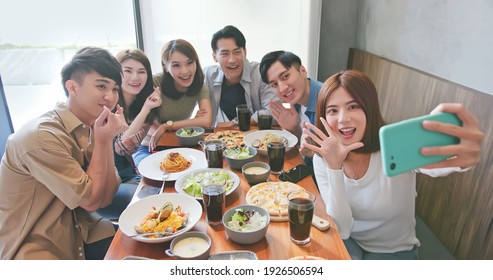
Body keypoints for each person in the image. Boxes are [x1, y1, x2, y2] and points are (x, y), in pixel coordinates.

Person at [301, 70, 484, 260]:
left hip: (393, 251)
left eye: (353, 106)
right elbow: (343, 229)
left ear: (370, 108)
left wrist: (461, 153)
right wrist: (335, 167)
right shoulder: (323, 158)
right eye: (332, 110)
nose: (343, 119)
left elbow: (442, 162)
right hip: (351, 242)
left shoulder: (395, 145)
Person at [0, 47, 128, 259]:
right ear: (72, 87)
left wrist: (104, 138)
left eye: (115, 89)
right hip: (36, 247)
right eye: (101, 86)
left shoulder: (90, 127)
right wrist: (105, 140)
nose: (110, 96)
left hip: (81, 230)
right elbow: (91, 201)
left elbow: (106, 196)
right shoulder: (42, 137)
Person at [133, 39, 213, 166]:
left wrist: (165, 126)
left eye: (190, 63)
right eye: (176, 65)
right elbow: (147, 123)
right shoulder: (154, 83)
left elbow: (206, 121)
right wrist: (190, 123)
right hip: (149, 147)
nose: (185, 71)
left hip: (180, 146)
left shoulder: (199, 86)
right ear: (165, 65)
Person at [259, 50, 323, 177]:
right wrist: (294, 129)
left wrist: (314, 154)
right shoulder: (295, 102)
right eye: (274, 84)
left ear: (303, 71)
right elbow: (307, 149)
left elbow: (341, 160)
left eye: (285, 76)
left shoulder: (328, 102)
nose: (282, 88)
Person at [204, 25, 279, 126]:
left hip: (257, 137)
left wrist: (235, 123)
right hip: (221, 138)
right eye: (225, 54)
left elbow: (274, 112)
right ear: (215, 57)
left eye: (237, 52)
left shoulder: (261, 73)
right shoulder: (207, 75)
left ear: (245, 52)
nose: (232, 60)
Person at [113, 49, 161, 182]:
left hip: (131, 173)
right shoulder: (109, 103)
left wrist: (146, 108)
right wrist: (145, 109)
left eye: (141, 72)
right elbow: (122, 149)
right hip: (114, 180)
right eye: (128, 71)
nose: (135, 77)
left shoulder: (144, 102)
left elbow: (132, 148)